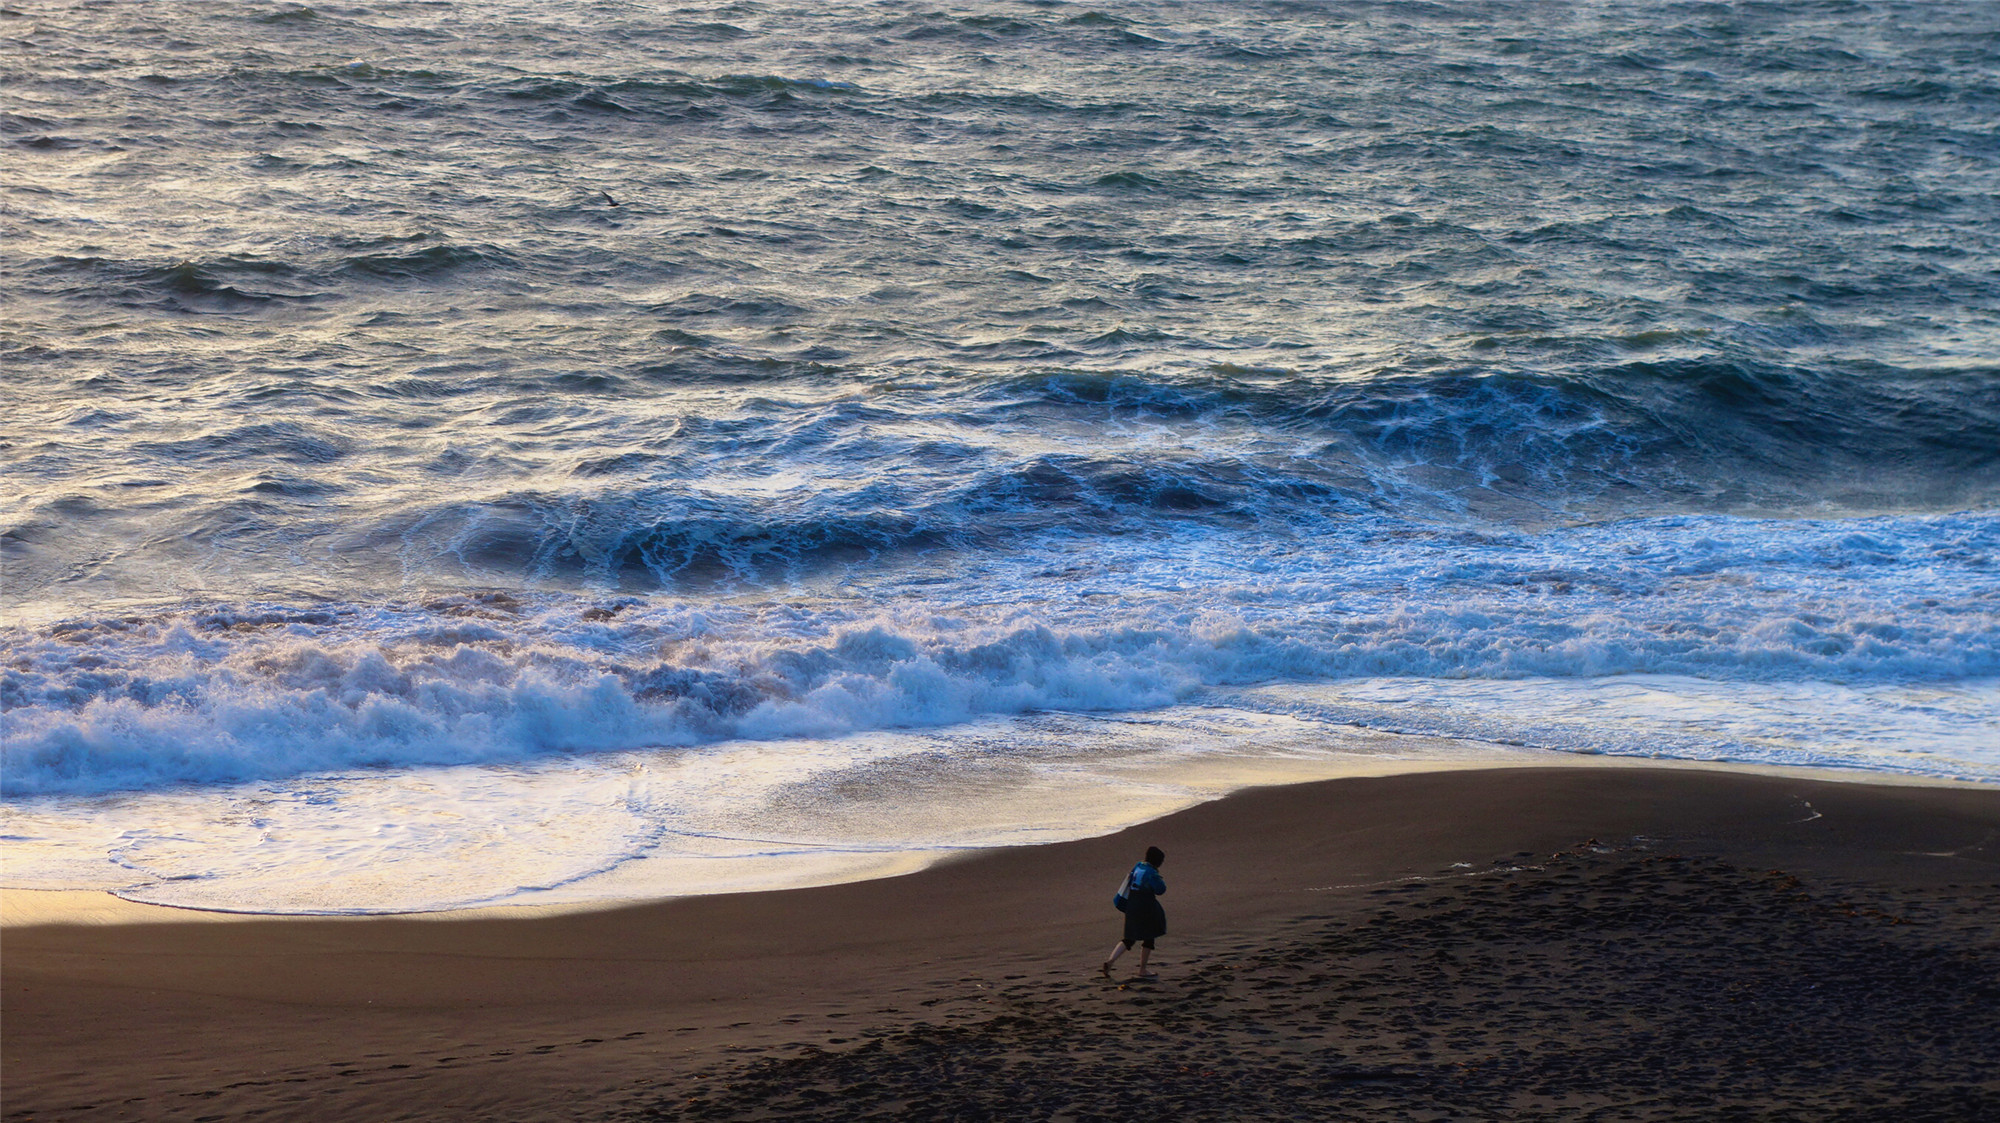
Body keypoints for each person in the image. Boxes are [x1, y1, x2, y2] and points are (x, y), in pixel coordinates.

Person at [1102, 846, 1167, 980]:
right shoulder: (1152, 873)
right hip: (1146, 907)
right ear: (1157, 861)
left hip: (1132, 906)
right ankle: (1143, 969)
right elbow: (1160, 889)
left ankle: (1111, 961)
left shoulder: (1138, 866)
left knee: (1129, 938)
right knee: (1149, 937)